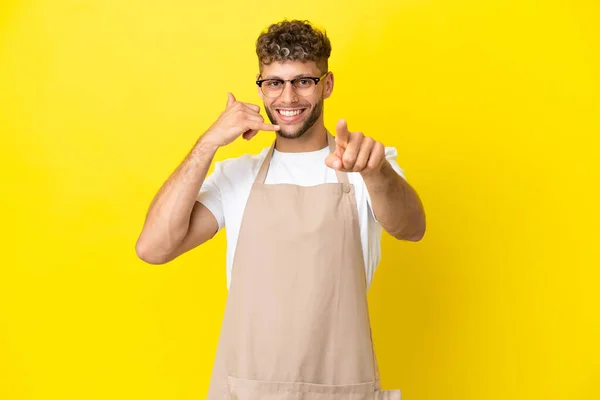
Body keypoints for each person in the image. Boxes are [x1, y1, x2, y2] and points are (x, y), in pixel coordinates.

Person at [136, 19, 425, 400]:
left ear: (327, 83)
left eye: (303, 81)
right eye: (275, 82)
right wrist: (208, 144)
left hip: (340, 386)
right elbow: (153, 248)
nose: (287, 98)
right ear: (261, 85)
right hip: (248, 389)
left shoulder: (366, 165)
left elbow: (412, 227)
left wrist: (376, 173)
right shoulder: (236, 176)